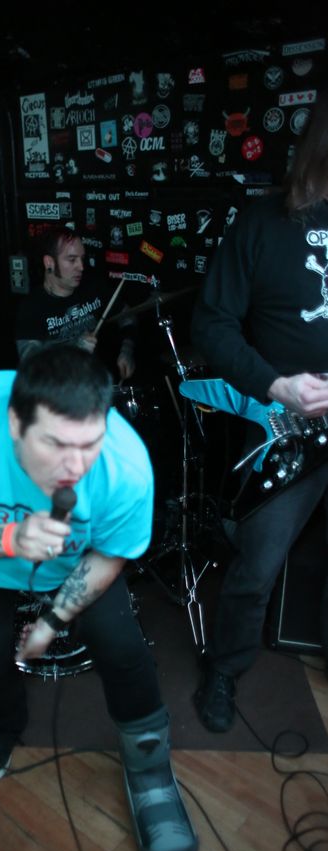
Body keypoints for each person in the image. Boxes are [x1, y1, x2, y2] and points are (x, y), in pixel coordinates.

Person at [0, 344, 198, 851]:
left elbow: (110, 554)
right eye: (56, 444)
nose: (75, 467)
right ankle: (4, 722)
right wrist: (10, 539)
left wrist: (53, 618)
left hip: (73, 565)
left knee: (122, 646)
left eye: (89, 444)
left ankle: (149, 766)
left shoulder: (125, 466)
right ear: (15, 423)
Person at [189, 85, 328, 733]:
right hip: (285, 426)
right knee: (258, 565)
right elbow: (211, 326)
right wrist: (277, 386)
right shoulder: (262, 222)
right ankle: (225, 669)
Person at [15, 226, 136, 379]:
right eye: (72, 260)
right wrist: (75, 351)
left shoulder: (93, 287)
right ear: (49, 262)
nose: (81, 267)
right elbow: (31, 367)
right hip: (61, 389)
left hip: (95, 382)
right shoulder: (31, 307)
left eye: (82, 259)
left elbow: (127, 315)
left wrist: (127, 350)